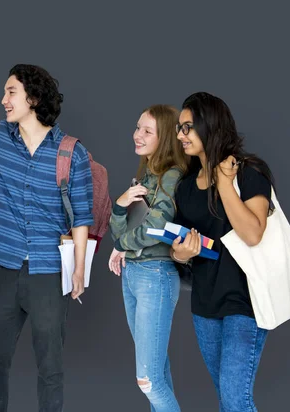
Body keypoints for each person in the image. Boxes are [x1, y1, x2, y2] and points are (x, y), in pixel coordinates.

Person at [0, 36, 94, 412]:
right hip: (4, 268)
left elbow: (83, 213)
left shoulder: (72, 151)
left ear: (34, 99)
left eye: (11, 92)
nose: (4, 100)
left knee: (50, 369)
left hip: (49, 271)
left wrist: (78, 272)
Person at [171, 92, 273, 411]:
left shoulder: (248, 172)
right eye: (178, 127)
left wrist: (225, 184)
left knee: (234, 399)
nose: (180, 135)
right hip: (205, 306)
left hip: (246, 302)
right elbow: (181, 247)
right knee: (230, 399)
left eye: (187, 127)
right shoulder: (186, 187)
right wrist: (181, 254)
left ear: (209, 126)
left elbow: (253, 233)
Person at [109, 104, 188, 412]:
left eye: (147, 130)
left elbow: (156, 228)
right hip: (133, 275)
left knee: (149, 380)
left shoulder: (172, 175)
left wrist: (122, 245)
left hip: (155, 275)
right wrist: (119, 204)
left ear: (164, 137)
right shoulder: (147, 175)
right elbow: (122, 228)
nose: (137, 135)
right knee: (159, 374)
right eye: (137, 127)